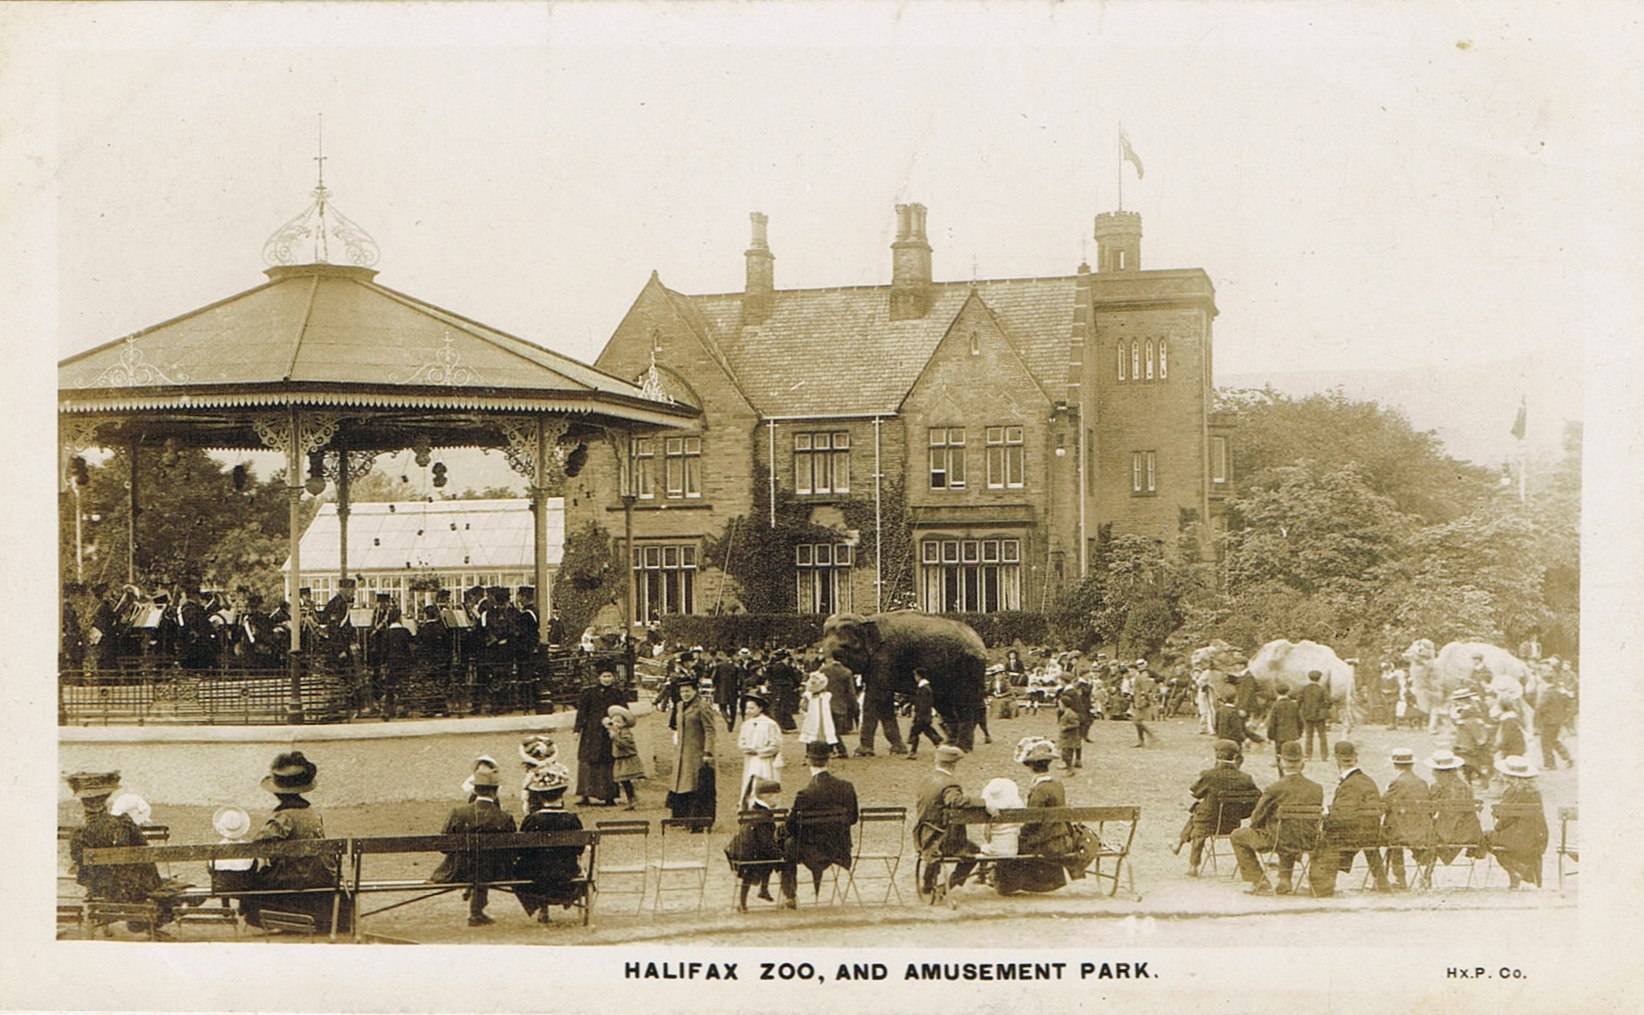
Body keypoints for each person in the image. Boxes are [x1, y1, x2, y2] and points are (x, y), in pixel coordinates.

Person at [243, 751, 349, 933]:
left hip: (293, 878)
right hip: (322, 877)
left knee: (251, 881)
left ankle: (277, 916)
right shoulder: (313, 814)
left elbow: (258, 846)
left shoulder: (283, 816)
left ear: (278, 793)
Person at [65, 771, 177, 935]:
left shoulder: (78, 834)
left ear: (83, 802)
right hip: (133, 888)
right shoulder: (123, 823)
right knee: (159, 881)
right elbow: (145, 851)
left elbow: (79, 864)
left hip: (101, 890)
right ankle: (144, 923)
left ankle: (135, 921)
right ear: (106, 798)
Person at [1232, 740, 1324, 896]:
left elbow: (1256, 818)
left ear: (1281, 761)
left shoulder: (1274, 788)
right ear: (1302, 762)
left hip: (1279, 840)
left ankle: (1259, 881)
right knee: (1288, 831)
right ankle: (1284, 879)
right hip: (1308, 839)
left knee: (1237, 835)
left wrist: (1262, 825)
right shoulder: (1316, 788)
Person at [431, 763, 517, 927]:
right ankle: (476, 912)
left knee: (477, 862)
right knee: (484, 863)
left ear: (475, 790)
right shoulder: (504, 817)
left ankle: (476, 911)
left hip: (459, 870)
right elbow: (511, 851)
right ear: (495, 791)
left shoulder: (458, 812)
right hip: (495, 871)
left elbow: (444, 845)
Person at [781, 740, 859, 907]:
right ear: (829, 759)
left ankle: (790, 895)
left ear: (808, 760)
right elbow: (853, 818)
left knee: (787, 843)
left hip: (810, 851)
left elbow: (791, 826)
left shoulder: (805, 794)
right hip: (839, 847)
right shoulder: (846, 787)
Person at [1312, 740, 1391, 896]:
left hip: (1352, 836)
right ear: (1355, 758)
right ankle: (1382, 882)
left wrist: (1326, 821)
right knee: (1366, 840)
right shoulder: (1369, 781)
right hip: (1372, 834)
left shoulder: (1348, 785)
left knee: (1321, 841)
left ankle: (1322, 888)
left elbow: (1343, 818)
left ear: (1337, 759)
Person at [512, 761, 586, 924]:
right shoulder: (572, 820)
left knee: (526, 866)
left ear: (539, 795)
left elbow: (523, 850)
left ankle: (542, 907)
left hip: (535, 876)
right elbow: (579, 849)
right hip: (567, 872)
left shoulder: (531, 820)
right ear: (562, 793)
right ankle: (564, 900)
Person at [1175, 739, 1260, 876]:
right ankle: (1178, 843)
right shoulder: (1246, 778)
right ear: (1235, 756)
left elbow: (1194, 793)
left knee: (1198, 812)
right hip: (1233, 823)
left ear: (1218, 756)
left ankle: (1192, 864)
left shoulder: (1209, 775)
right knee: (1199, 812)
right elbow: (1256, 798)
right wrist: (1242, 814)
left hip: (1208, 823)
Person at [1008, 736, 1079, 892]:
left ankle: (1013, 883)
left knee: (1012, 842)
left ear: (1031, 767)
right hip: (1061, 836)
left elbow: (1032, 821)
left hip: (1047, 841)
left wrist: (1020, 831)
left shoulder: (1039, 790)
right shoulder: (1057, 783)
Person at [914, 745, 985, 898]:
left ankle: (927, 882)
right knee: (974, 851)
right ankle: (948, 886)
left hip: (923, 834)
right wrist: (983, 802)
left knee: (938, 848)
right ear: (953, 764)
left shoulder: (926, 779)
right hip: (944, 840)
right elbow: (955, 801)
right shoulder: (950, 783)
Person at [1487, 756, 1549, 889]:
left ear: (1509, 776)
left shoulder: (1512, 791)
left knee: (1486, 838)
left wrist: (1497, 826)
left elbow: (1505, 817)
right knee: (1499, 838)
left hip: (1516, 837)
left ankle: (1517, 869)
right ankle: (1523, 873)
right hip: (1537, 837)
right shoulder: (1535, 791)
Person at [725, 777, 784, 910]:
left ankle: (755, 895)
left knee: (767, 859)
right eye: (776, 797)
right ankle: (788, 897)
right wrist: (780, 854)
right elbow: (766, 842)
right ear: (766, 796)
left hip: (741, 852)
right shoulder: (764, 816)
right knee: (782, 862)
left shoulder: (754, 809)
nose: (778, 800)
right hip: (752, 855)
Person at [667, 676, 718, 826]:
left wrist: (708, 752)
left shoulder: (702, 706)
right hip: (681, 752)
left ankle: (696, 818)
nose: (685, 694)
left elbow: (710, 730)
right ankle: (680, 817)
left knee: (694, 784)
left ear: (695, 691)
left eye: (688, 691)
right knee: (679, 784)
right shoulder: (679, 706)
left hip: (696, 752)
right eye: (682, 691)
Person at [1380, 748, 1433, 890]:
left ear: (1395, 765)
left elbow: (1383, 804)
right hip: (1422, 831)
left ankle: (1400, 878)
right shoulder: (1422, 783)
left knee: (1393, 832)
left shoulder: (1397, 783)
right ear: (1411, 765)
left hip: (1401, 834)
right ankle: (1425, 873)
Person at [573, 670, 626, 806]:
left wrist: (615, 725)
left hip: (607, 733)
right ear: (598, 677)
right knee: (587, 762)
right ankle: (585, 795)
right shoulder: (588, 693)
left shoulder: (617, 694)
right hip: (590, 732)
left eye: (609, 676)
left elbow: (623, 713)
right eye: (604, 676)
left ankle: (609, 796)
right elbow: (582, 713)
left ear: (613, 678)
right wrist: (577, 730)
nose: (607, 679)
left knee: (607, 763)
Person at [1427, 748, 1485, 866]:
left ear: (1437, 771)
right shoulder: (1465, 786)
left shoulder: (1437, 787)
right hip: (1469, 833)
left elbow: (1431, 812)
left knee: (1426, 832)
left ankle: (1427, 873)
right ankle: (1426, 873)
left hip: (1447, 833)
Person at [735, 690, 784, 807]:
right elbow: (741, 741)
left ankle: (766, 807)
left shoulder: (770, 724)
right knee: (750, 782)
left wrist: (761, 751)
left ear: (760, 708)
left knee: (764, 783)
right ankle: (749, 806)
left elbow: (776, 744)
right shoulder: (746, 724)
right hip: (751, 759)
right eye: (747, 708)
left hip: (765, 760)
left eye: (752, 708)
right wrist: (747, 749)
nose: (748, 711)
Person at [604, 706, 645, 810]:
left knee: (627, 781)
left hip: (627, 759)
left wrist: (614, 737)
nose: (616, 724)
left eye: (619, 722)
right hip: (620, 759)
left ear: (624, 723)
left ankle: (632, 799)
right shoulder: (616, 731)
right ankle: (632, 799)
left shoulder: (625, 733)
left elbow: (625, 745)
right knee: (624, 781)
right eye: (614, 722)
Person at [1535, 678, 1575, 770]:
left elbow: (1540, 707)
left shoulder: (1547, 693)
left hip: (1549, 721)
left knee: (1545, 743)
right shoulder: (1560, 693)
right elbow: (1568, 704)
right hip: (1558, 721)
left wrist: (1537, 722)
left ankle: (1550, 764)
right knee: (1554, 741)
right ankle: (1568, 758)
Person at [798, 671, 840, 756]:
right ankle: (810, 750)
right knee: (811, 730)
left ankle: (828, 750)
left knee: (826, 730)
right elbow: (803, 706)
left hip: (824, 716)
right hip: (813, 716)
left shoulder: (827, 695)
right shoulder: (808, 695)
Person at [820, 659, 855, 757]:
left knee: (828, 729)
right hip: (841, 704)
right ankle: (837, 750)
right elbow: (851, 692)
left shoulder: (823, 670)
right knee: (836, 729)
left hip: (825, 703)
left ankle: (839, 750)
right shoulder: (846, 672)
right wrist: (853, 705)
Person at [1264, 685, 1303, 774]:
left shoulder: (1276, 705)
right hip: (1293, 735)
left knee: (1280, 756)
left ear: (1276, 692)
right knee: (1293, 757)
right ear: (1288, 692)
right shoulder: (1294, 705)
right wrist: (1299, 733)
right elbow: (1300, 721)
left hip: (1279, 736)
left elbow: (1272, 723)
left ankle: (1282, 776)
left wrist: (1270, 736)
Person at [905, 671, 943, 760]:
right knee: (928, 732)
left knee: (915, 732)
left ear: (919, 676)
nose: (915, 678)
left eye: (915, 675)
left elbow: (923, 704)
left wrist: (919, 715)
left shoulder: (924, 689)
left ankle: (912, 753)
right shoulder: (925, 688)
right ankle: (939, 745)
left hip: (922, 715)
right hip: (925, 715)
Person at [1297, 670, 1331, 761]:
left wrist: (1303, 709)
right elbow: (1329, 701)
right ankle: (1324, 756)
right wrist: (1324, 708)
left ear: (1309, 678)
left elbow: (1299, 701)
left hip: (1308, 715)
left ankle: (1308, 756)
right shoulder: (1322, 689)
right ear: (1319, 679)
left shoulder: (1304, 689)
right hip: (1320, 715)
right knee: (1322, 736)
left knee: (1309, 736)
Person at [765, 649, 800, 732]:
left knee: (777, 706)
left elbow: (768, 677)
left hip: (775, 687)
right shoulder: (786, 667)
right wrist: (796, 685)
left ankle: (780, 725)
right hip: (785, 687)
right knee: (785, 706)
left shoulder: (771, 667)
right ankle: (786, 725)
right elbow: (793, 676)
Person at [1130, 661, 1159, 748]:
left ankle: (1152, 736)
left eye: (1131, 671)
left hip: (1141, 702)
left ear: (1136, 670)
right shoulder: (1135, 679)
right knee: (1137, 722)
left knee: (1137, 721)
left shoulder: (1139, 678)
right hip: (1137, 702)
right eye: (1129, 671)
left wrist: (1145, 700)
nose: (1130, 673)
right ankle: (1141, 741)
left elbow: (1146, 690)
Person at [712, 650, 742, 732]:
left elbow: (714, 677)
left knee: (722, 707)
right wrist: (739, 688)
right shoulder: (736, 666)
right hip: (733, 689)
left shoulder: (719, 665)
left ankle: (727, 718)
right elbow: (740, 679)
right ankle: (731, 726)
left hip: (721, 689)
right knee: (733, 707)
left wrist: (715, 685)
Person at [1056, 687, 1083, 770]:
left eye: (1060, 704)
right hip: (1065, 736)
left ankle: (1068, 765)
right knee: (1065, 750)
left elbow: (1076, 723)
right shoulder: (1066, 712)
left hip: (1069, 736)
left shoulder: (1070, 713)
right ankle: (1067, 763)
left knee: (1067, 751)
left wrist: (1066, 727)